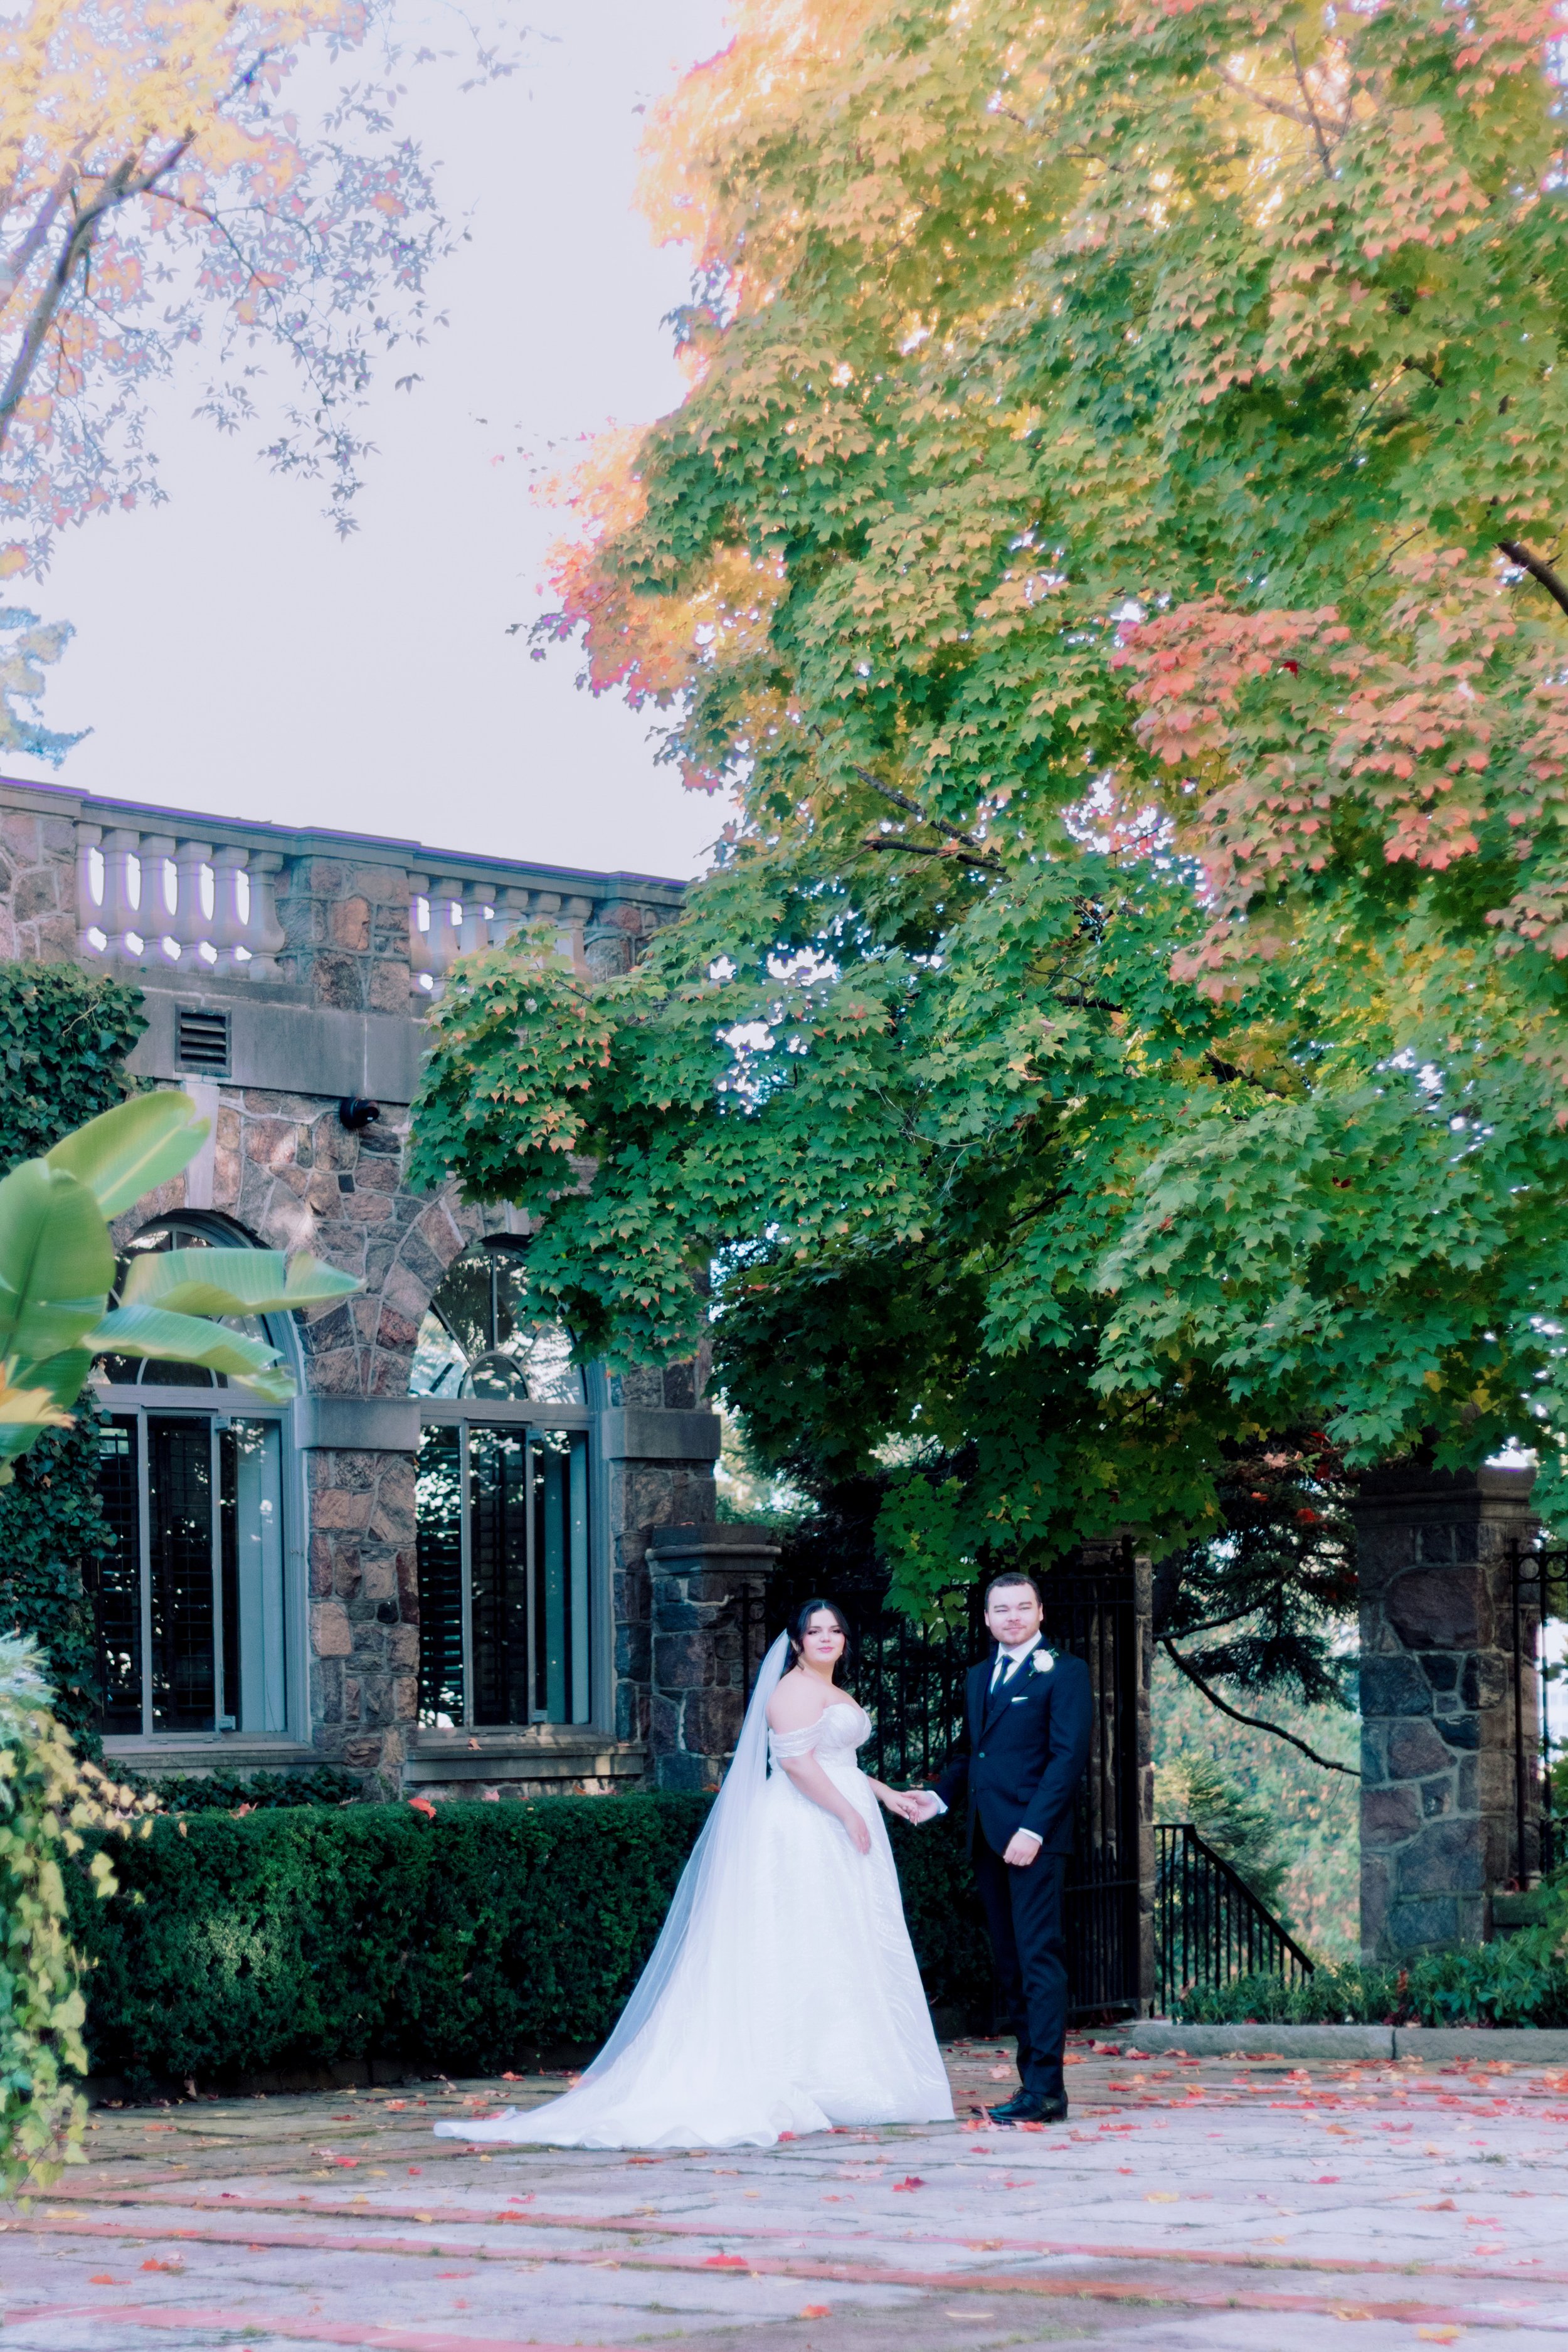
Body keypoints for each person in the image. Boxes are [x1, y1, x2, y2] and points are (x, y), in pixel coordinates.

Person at [438, 1598, 953, 2149]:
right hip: (806, 1825)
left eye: (834, 1629)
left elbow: (840, 1764)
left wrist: (888, 1796)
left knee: (840, 1940)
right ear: (797, 1641)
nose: (825, 1638)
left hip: (838, 1816)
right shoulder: (794, 1691)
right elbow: (799, 1765)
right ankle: (798, 2072)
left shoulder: (833, 1690)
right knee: (805, 1937)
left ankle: (841, 2068)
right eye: (814, 1630)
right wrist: (848, 1812)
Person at [907, 1572, 1093, 2126]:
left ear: (1040, 1613)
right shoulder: (979, 1676)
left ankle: (1046, 2091)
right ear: (987, 1619)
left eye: (1022, 1607)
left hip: (1033, 1840)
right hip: (988, 1840)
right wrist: (938, 1799)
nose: (1012, 1616)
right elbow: (972, 1755)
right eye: (1001, 1609)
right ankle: (1029, 2085)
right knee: (1011, 1966)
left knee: (1039, 1960)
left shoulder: (1066, 1672)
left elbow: (1066, 1760)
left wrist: (1033, 1831)